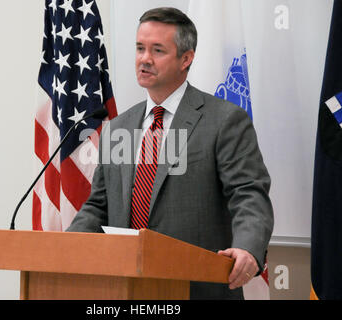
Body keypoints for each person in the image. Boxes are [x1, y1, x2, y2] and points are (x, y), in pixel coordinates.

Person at [67, 7, 273, 300]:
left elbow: (248, 193)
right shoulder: (117, 128)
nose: (144, 59)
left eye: (158, 50)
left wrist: (248, 247)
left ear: (186, 58)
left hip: (198, 288)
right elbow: (100, 205)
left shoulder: (224, 120)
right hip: (125, 290)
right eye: (140, 48)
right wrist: (65, 247)